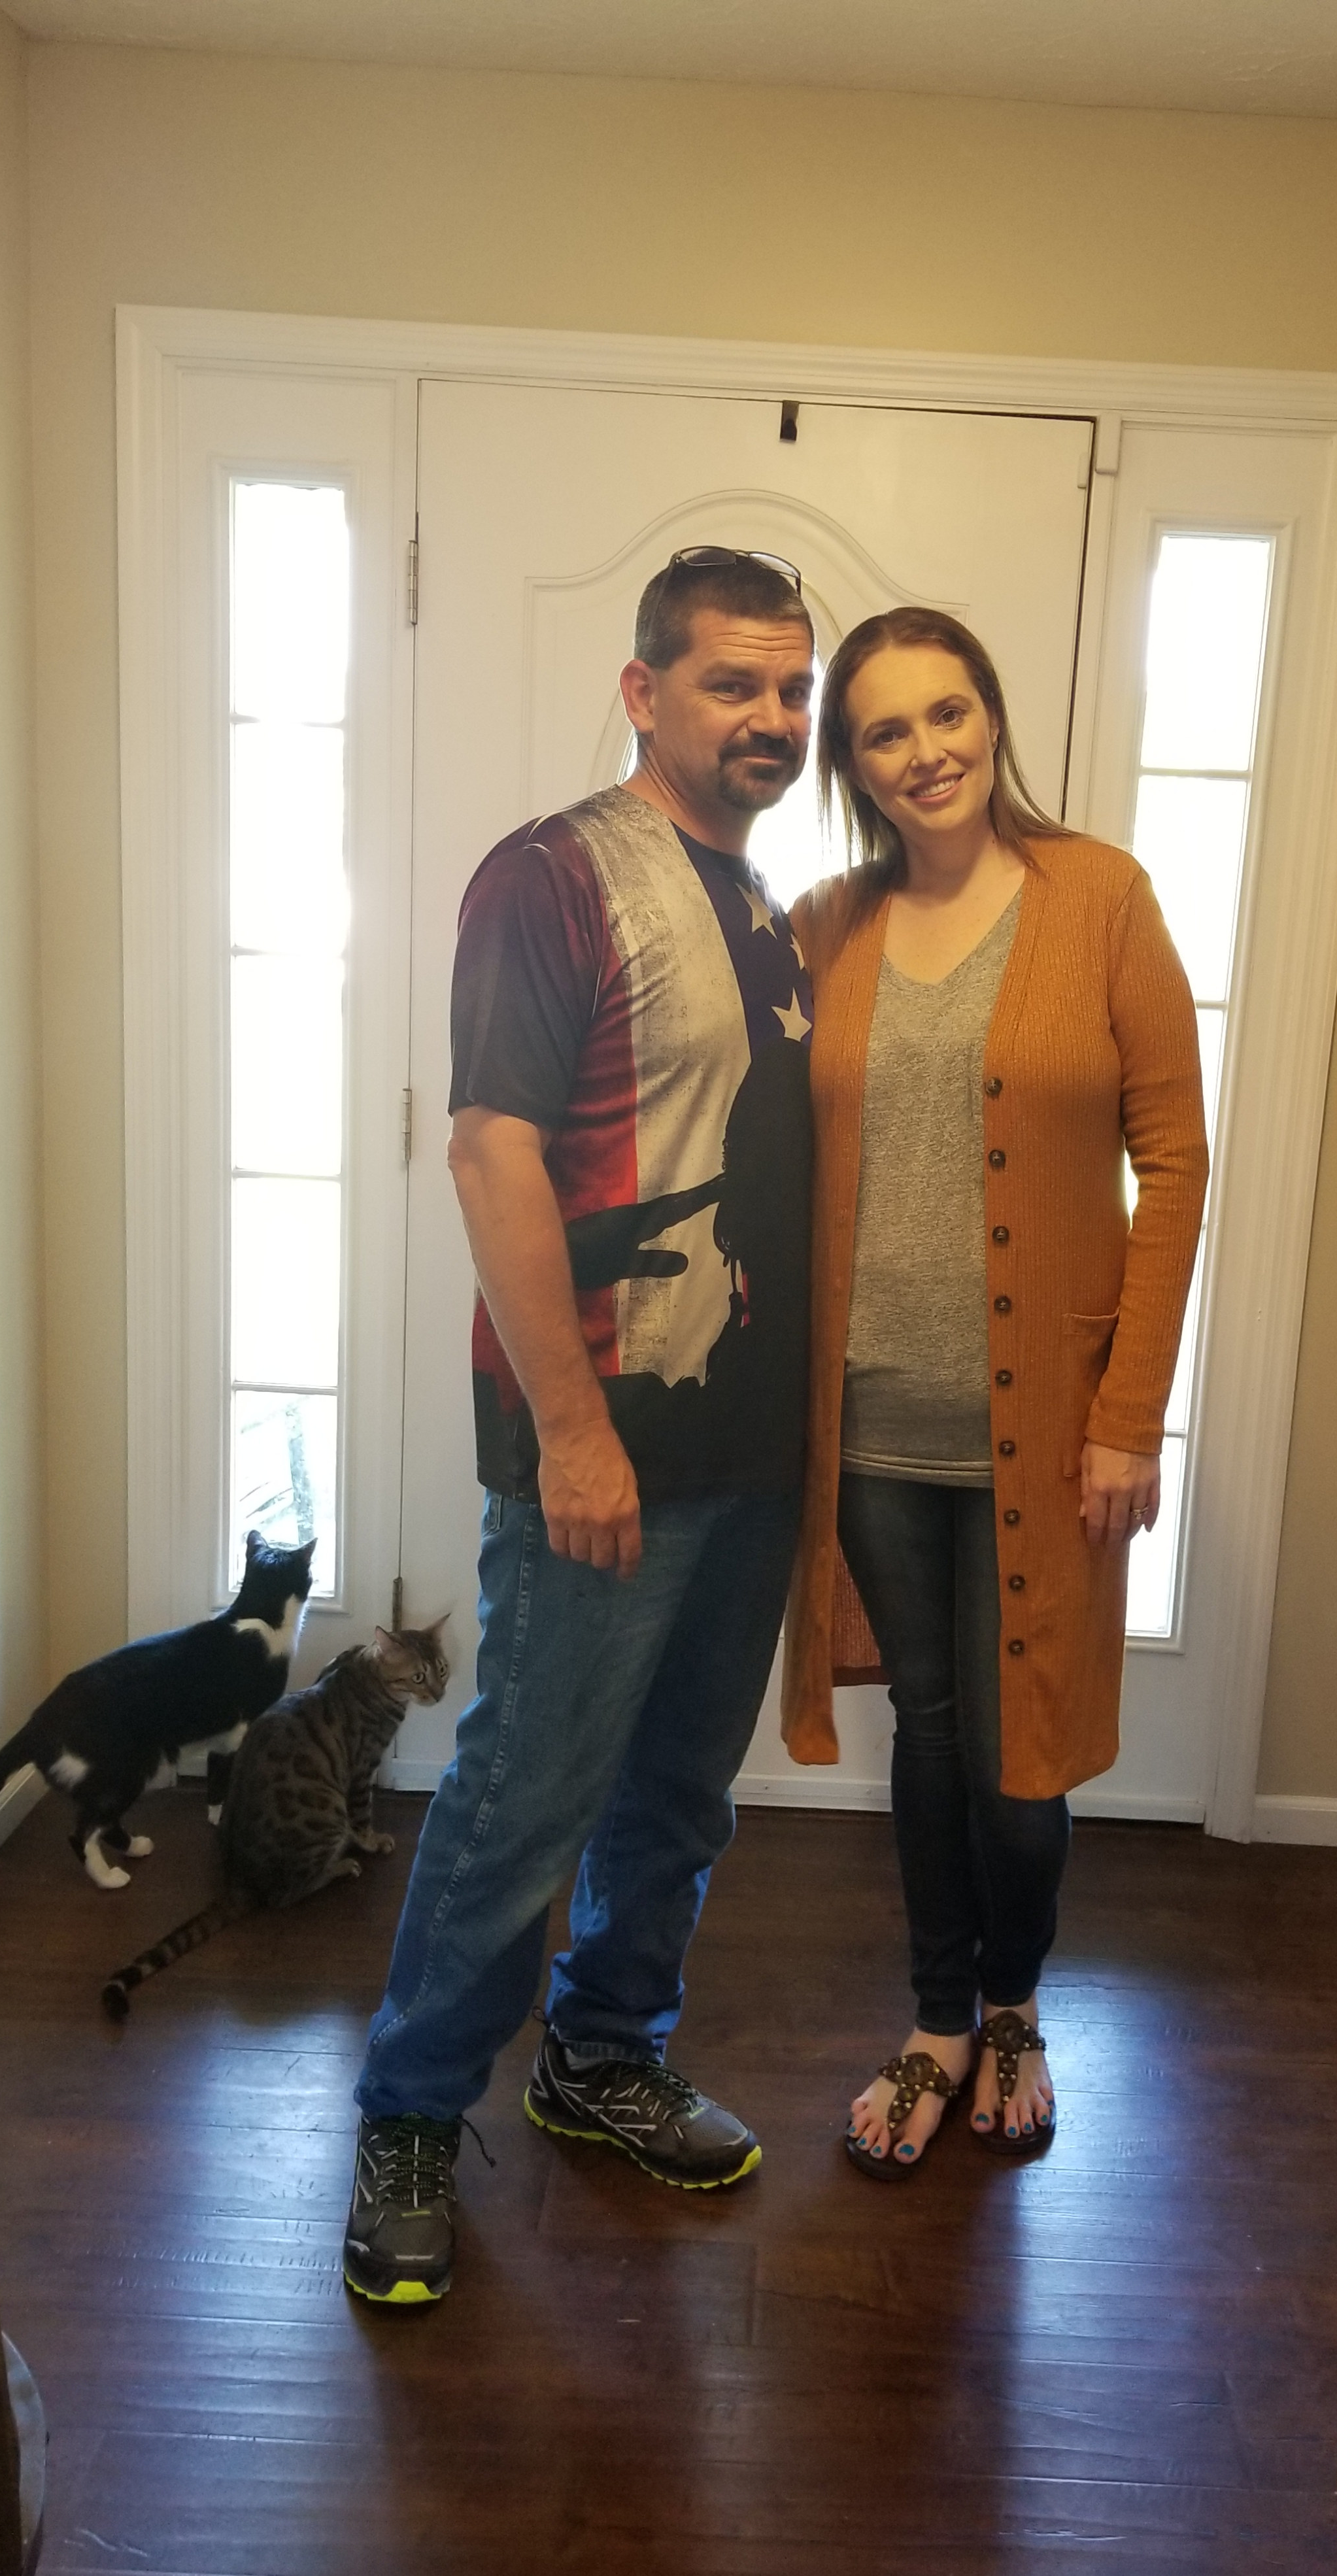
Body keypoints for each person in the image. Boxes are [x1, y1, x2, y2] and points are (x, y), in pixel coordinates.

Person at [344, 548, 818, 2303]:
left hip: (747, 1452)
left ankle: (604, 2053)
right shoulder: (551, 878)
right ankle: (409, 2112)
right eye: (731, 682)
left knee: (678, 1795)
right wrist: (572, 1431)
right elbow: (493, 1151)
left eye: (791, 688)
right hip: (602, 1449)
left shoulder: (764, 902)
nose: (771, 717)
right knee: (520, 1795)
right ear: (642, 690)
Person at [781, 607, 1208, 2175]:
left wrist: (1129, 1414)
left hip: (1048, 1432)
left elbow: (1177, 1161)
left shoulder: (1100, 898)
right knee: (936, 1729)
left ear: (992, 714)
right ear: (854, 766)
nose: (926, 751)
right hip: (874, 1427)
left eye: (947, 712)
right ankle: (939, 2017)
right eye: (885, 731)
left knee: (1022, 1758)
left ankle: (1017, 2003)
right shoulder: (826, 926)